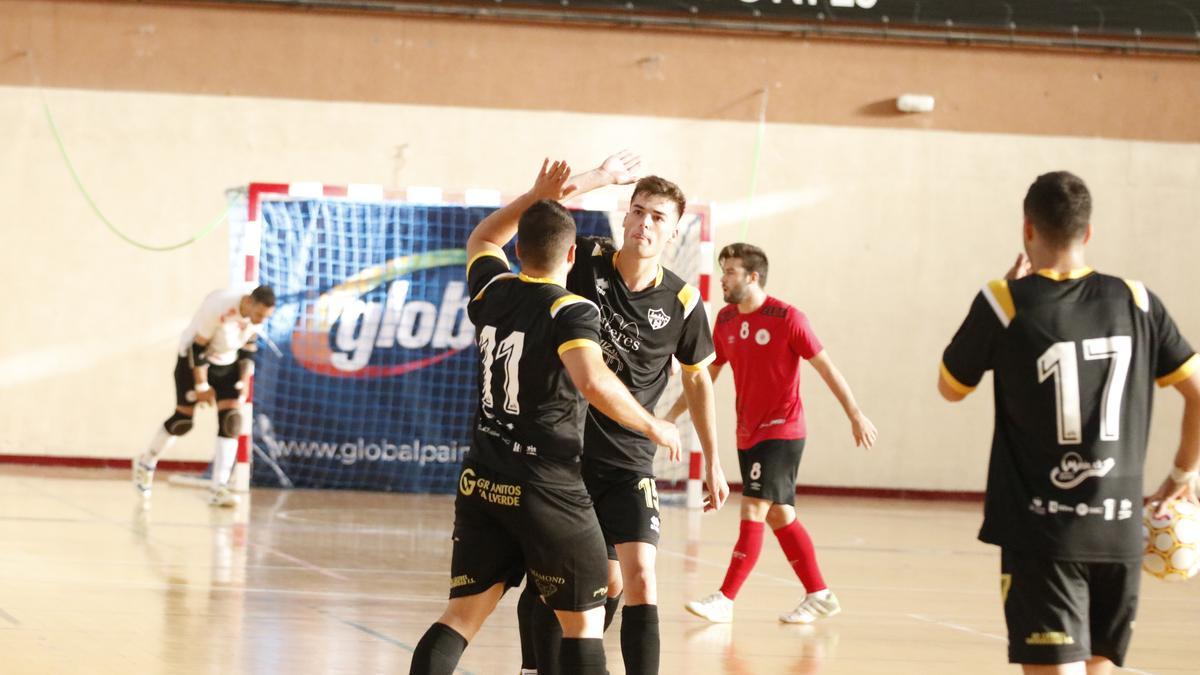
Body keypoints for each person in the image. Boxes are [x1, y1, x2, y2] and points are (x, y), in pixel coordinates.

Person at [409, 160, 681, 675]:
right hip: (548, 486)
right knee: (583, 624)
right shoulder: (571, 310)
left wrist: (538, 193)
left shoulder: (491, 290)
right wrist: (654, 425)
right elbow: (594, 382)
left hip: (484, 481)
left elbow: (484, 236)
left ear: (518, 250)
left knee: (461, 616)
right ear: (573, 254)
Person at [937, 171, 1200, 674]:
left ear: (1027, 230)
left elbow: (951, 388)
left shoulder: (1005, 301)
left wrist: (1002, 300)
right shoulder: (1138, 300)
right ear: (1088, 233)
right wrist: (1184, 474)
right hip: (1120, 533)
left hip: (1044, 531)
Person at [503, 151, 730, 675]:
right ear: (625, 215)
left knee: (640, 578)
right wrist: (598, 178)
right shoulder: (583, 260)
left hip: (628, 459)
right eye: (639, 211)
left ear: (673, 233)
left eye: (658, 218)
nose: (645, 224)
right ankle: (540, 665)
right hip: (566, 453)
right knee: (567, 582)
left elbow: (698, 379)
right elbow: (543, 210)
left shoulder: (683, 302)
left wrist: (714, 460)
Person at [675, 243, 877, 625]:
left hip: (782, 430)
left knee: (753, 507)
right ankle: (819, 594)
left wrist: (855, 414)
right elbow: (705, 378)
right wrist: (669, 417)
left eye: (731, 271)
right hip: (747, 432)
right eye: (723, 270)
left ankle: (725, 598)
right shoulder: (726, 320)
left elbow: (827, 368)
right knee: (780, 516)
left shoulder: (788, 318)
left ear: (753, 277)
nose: (723, 278)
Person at [133, 285, 276, 507]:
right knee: (183, 421)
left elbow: (249, 345)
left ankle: (219, 487)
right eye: (258, 315)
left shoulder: (256, 320)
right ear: (248, 302)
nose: (259, 321)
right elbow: (197, 349)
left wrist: (243, 380)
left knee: (232, 420)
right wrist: (201, 385)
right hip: (194, 360)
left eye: (265, 317)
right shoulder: (219, 306)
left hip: (227, 362)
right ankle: (146, 462)